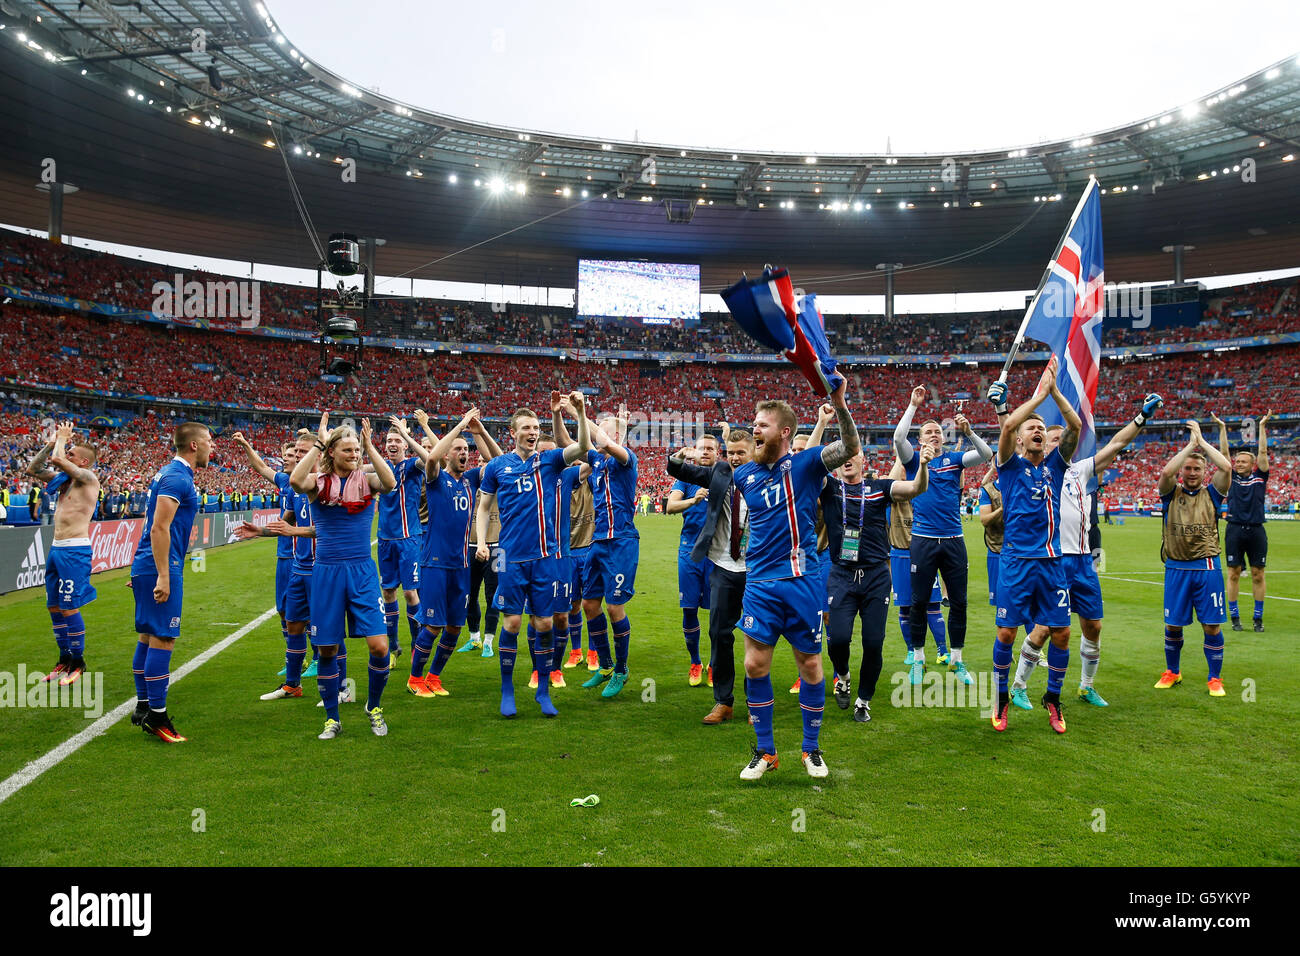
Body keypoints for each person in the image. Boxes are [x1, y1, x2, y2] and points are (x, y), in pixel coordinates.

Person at [736, 383, 860, 781]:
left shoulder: (807, 464)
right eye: (753, 424)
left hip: (803, 581)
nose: (754, 431)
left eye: (762, 426)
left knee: (809, 663)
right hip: (759, 584)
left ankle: (811, 748)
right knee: (755, 664)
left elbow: (850, 447)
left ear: (784, 431)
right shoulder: (744, 475)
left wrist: (838, 405)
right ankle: (766, 752)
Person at [1011, 394, 1161, 712]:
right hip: (1053, 561)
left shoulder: (1080, 470)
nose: (1060, 440)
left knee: (1093, 626)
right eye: (1054, 437)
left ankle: (1086, 686)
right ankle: (1019, 686)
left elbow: (1116, 445)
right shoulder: (1036, 473)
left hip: (1082, 560)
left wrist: (1141, 417)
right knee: (1046, 628)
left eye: (1062, 437)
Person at [475, 396, 591, 718]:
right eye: (526, 427)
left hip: (546, 558)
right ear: (512, 432)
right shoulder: (498, 467)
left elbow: (582, 447)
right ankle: (507, 690)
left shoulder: (550, 461)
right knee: (511, 622)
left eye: (536, 427)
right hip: (509, 557)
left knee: (544, 623)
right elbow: (483, 507)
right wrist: (483, 541)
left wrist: (576, 413)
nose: (532, 431)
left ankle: (542, 690)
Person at [290, 413, 396, 740]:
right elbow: (295, 480)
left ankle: (373, 706)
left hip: (363, 571)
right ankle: (332, 719)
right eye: (347, 451)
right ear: (331, 452)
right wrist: (319, 442)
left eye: (356, 451)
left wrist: (369, 446)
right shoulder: (318, 483)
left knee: (380, 646)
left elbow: (390, 483)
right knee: (326, 650)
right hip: (326, 572)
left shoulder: (368, 480)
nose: (354, 456)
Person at [989, 358, 1081, 734]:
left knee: (1061, 633)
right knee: (1007, 634)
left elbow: (1074, 426)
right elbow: (1008, 423)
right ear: (1022, 439)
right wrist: (1036, 395)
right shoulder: (1009, 467)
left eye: (1042, 428)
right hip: (1015, 563)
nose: (1038, 430)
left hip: (1051, 563)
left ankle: (1053, 699)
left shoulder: (1055, 467)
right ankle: (1000, 698)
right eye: (1033, 428)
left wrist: (1055, 393)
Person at [893, 385, 995, 684]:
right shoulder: (913, 462)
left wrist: (969, 431)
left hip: (953, 540)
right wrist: (913, 405)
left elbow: (987, 455)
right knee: (918, 602)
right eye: (928, 432)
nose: (934, 434)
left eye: (938, 431)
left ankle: (957, 661)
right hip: (923, 540)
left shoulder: (953, 459)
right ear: (920, 439)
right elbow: (899, 438)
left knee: (959, 603)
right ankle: (919, 659)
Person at [823, 445, 931, 723]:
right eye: (842, 457)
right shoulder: (830, 487)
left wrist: (923, 465)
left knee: (873, 643)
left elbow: (916, 488)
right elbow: (807, 466)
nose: (847, 460)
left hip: (875, 575)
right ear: (836, 463)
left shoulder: (880, 487)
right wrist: (822, 422)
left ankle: (863, 700)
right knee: (838, 639)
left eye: (852, 454)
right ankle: (843, 677)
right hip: (842, 574)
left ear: (862, 459)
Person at [408, 407, 501, 697]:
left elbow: (497, 461)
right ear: (449, 452)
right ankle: (414, 679)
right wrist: (459, 425)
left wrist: (478, 432)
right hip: (435, 564)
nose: (464, 453)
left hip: (461, 565)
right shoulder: (435, 477)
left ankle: (434, 678)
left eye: (466, 450)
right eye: (458, 449)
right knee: (434, 626)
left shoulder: (470, 480)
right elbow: (433, 456)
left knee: (453, 627)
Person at [128, 421, 211, 743]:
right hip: (161, 566)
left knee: (149, 636)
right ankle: (157, 716)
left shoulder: (169, 474)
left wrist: (144, 569)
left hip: (149, 564)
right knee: (163, 637)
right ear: (194, 445)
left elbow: (153, 525)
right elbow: (159, 528)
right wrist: (162, 574)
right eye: (208, 441)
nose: (211, 447)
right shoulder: (177, 478)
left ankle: (143, 706)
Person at [668, 423, 755, 725]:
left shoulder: (767, 479)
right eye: (730, 453)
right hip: (722, 566)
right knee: (719, 633)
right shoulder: (719, 474)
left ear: (754, 451)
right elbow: (683, 471)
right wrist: (678, 457)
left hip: (756, 569)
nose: (734, 458)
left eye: (741, 453)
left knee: (756, 636)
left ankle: (755, 702)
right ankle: (724, 701)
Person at [1154, 421, 1233, 697]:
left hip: (1207, 566)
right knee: (1173, 624)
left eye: (1197, 469)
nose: (1191, 473)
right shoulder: (1170, 494)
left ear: (1203, 472)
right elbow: (1166, 472)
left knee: (1211, 625)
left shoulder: (1212, 494)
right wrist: (1189, 446)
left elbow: (1226, 468)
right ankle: (1172, 672)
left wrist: (1201, 444)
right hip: (1176, 566)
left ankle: (1214, 678)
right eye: (1187, 468)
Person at [570, 404, 639, 699]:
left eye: (606, 430)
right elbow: (567, 443)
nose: (600, 434)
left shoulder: (627, 459)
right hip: (598, 542)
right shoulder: (596, 463)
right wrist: (563, 413)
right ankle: (607, 665)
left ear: (617, 436)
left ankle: (622, 670)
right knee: (589, 606)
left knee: (614, 608)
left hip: (622, 541)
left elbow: (605, 441)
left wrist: (580, 413)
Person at [26, 421, 100, 685]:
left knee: (69, 607)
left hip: (75, 551)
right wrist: (50, 443)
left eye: (72, 454)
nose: (66, 455)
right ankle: (64, 659)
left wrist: (62, 439)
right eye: (67, 452)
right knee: (54, 606)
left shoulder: (89, 478)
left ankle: (78, 663)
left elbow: (58, 459)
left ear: (84, 461)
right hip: (57, 549)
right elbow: (33, 469)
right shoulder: (64, 480)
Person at [231, 433, 301, 677]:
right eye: (285, 455)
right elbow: (260, 466)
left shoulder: (302, 485)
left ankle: (311, 658)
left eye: (292, 455)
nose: (286, 459)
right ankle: (295, 655)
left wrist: (259, 531)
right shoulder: (284, 481)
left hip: (298, 555)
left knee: (301, 611)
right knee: (283, 608)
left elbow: (285, 523)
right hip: (284, 554)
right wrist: (247, 446)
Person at [376, 415, 434, 665]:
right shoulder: (381, 468)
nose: (392, 443)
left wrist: (408, 434)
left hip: (409, 538)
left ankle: (415, 645)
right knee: (388, 591)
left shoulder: (412, 466)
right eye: (389, 440)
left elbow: (430, 459)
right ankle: (392, 647)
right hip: (385, 539)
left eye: (397, 440)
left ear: (404, 445)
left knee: (411, 593)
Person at [666, 435, 718, 686]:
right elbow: (670, 506)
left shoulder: (724, 477)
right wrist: (693, 500)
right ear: (694, 453)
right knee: (689, 609)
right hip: (689, 552)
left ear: (718, 453)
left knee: (718, 614)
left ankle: (714, 664)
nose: (705, 452)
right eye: (701, 448)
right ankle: (695, 662)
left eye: (710, 448)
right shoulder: (684, 479)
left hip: (717, 555)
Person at [1212, 411, 1272, 632]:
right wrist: (1222, 428)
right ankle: (1235, 617)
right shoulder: (1232, 477)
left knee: (1258, 574)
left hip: (1256, 530)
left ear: (1252, 463)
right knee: (1233, 573)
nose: (1237, 463)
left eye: (1242, 461)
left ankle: (1258, 618)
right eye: (1236, 461)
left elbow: (1263, 451)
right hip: (1234, 529)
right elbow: (1224, 452)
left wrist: (1263, 426)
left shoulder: (1260, 476)